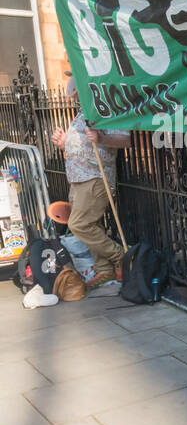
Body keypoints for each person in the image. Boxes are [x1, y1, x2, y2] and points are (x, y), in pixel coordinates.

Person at [51, 77, 131, 288]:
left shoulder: (108, 108)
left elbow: (125, 139)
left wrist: (102, 139)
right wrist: (64, 143)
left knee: (79, 225)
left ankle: (120, 256)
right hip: (77, 178)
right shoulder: (82, 112)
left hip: (95, 178)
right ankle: (104, 270)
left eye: (78, 94)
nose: (76, 98)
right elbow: (81, 144)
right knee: (91, 225)